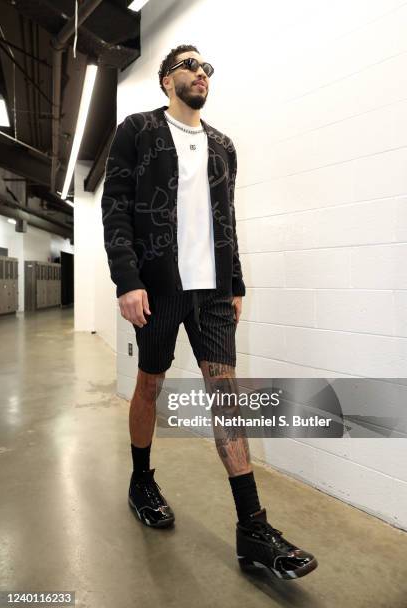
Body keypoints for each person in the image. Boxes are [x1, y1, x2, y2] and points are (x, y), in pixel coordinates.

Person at [101, 44, 318, 580]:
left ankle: (252, 527)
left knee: (226, 393)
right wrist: (127, 280)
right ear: (166, 79)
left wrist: (236, 282)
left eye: (206, 68)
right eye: (190, 66)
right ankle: (140, 480)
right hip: (158, 288)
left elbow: (228, 222)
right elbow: (116, 208)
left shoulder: (223, 146)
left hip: (214, 293)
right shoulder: (137, 131)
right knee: (149, 384)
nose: (201, 73)